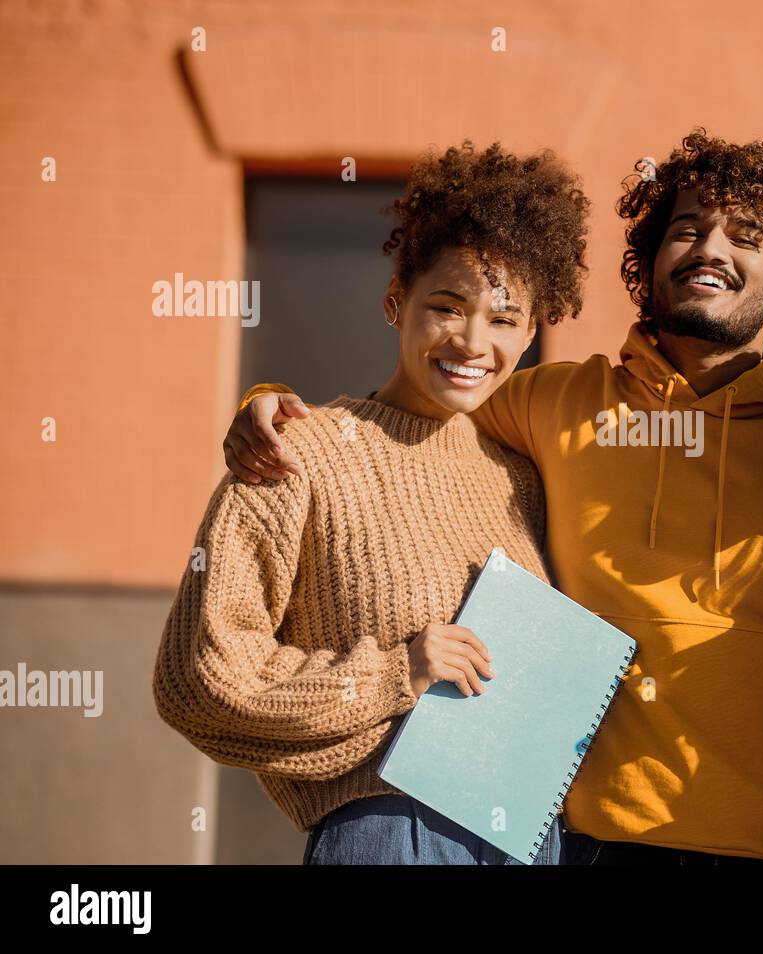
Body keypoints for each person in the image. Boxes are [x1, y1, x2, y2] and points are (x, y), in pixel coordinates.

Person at [220, 129, 763, 864]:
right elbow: (420, 403)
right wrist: (275, 411)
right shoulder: (554, 402)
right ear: (649, 263)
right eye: (687, 229)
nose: (712, 251)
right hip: (588, 843)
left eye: (747, 239)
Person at [152, 141, 590, 864]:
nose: (473, 341)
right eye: (447, 307)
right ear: (396, 302)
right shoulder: (297, 452)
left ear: (533, 330)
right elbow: (199, 679)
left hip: (532, 841)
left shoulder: (521, 478)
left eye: (505, 319)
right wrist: (397, 674)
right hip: (395, 837)